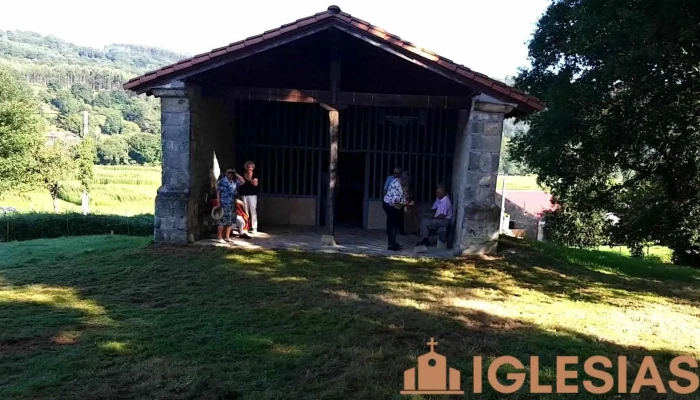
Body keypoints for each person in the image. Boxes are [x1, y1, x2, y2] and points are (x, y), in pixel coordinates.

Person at [383, 171, 413, 251]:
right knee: (392, 225)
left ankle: (393, 242)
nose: (407, 183)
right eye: (407, 181)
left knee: (393, 225)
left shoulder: (399, 181)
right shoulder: (396, 184)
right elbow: (398, 200)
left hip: (392, 205)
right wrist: (408, 203)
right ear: (403, 179)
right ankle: (391, 245)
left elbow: (405, 194)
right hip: (390, 205)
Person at [217, 168, 248, 243]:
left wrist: (236, 173)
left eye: (232, 173)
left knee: (230, 221)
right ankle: (220, 237)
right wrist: (218, 202)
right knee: (222, 221)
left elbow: (243, 181)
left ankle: (227, 237)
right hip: (224, 203)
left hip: (232, 204)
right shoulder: (222, 181)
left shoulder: (234, 181)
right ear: (226, 173)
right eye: (229, 173)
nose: (230, 174)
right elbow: (218, 192)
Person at [384, 166, 407, 235]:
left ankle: (400, 230)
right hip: (392, 201)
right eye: (396, 173)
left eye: (399, 173)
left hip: (398, 201)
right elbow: (385, 188)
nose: (397, 174)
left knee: (401, 215)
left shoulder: (402, 180)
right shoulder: (391, 179)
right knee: (390, 217)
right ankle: (389, 230)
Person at [239, 161, 259, 234]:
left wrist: (250, 178)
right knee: (245, 211)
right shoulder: (242, 174)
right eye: (247, 167)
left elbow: (255, 184)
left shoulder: (255, 175)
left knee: (253, 211)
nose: (249, 168)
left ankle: (254, 227)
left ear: (253, 168)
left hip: (252, 195)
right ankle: (246, 226)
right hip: (244, 194)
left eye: (250, 167)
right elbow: (241, 182)